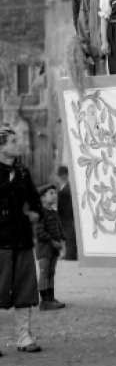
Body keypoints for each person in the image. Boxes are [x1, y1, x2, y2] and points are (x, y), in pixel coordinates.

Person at [0, 125, 44, 353]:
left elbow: (35, 201)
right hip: (0, 239)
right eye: (13, 142)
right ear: (2, 146)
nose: (19, 146)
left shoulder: (23, 172)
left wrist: (36, 214)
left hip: (22, 237)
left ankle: (24, 337)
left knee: (25, 288)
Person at [33, 184, 65, 311]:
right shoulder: (41, 213)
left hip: (54, 248)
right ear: (43, 198)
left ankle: (51, 298)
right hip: (45, 249)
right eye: (51, 193)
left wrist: (62, 238)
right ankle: (44, 301)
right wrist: (52, 242)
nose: (55, 195)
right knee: (44, 273)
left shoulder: (53, 212)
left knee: (51, 273)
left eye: (55, 193)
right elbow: (40, 233)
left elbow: (59, 227)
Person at [56, 165, 77, 262]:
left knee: (70, 236)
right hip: (64, 217)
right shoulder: (64, 187)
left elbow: (69, 205)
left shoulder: (68, 188)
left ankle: (70, 255)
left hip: (67, 216)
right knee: (67, 236)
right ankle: (69, 254)